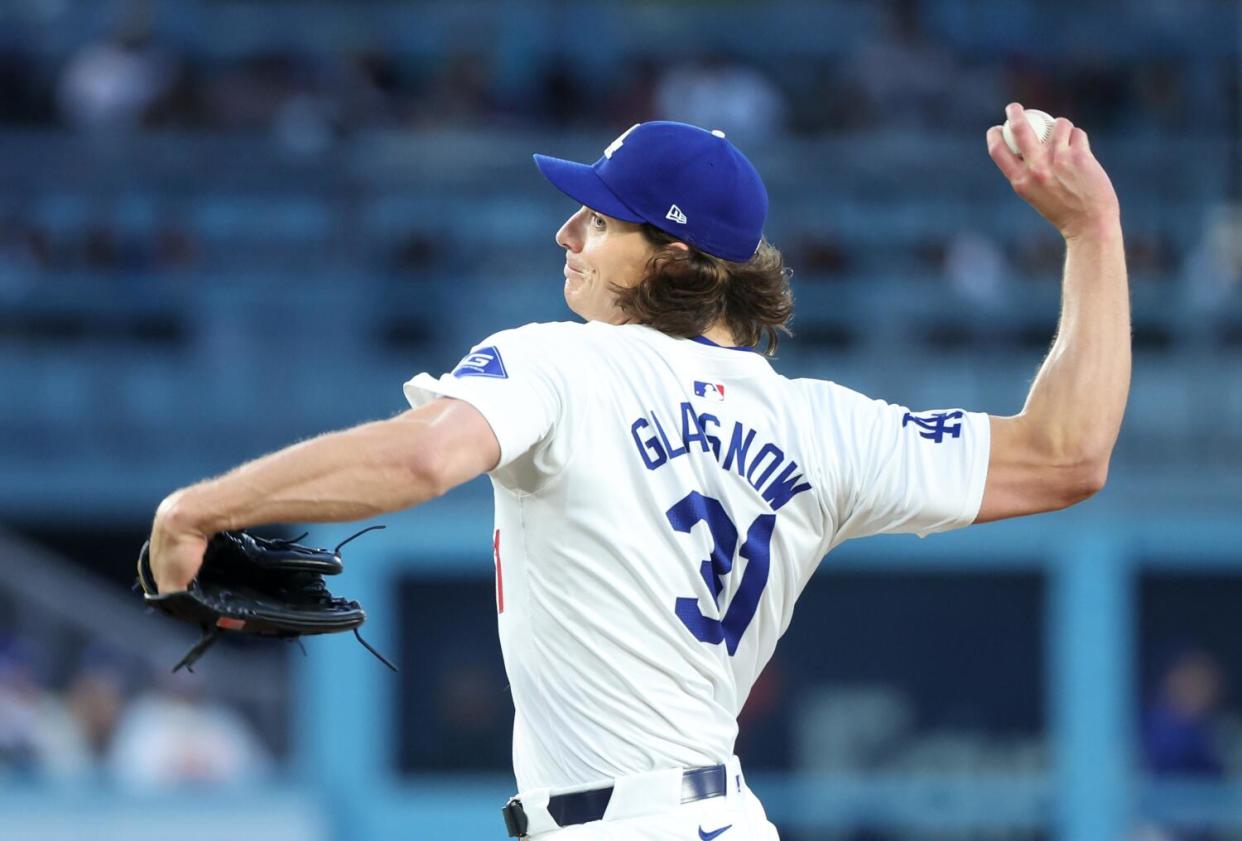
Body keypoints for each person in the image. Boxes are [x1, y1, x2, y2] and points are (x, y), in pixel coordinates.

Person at [145, 106, 1128, 839]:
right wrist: (1093, 234)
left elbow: (421, 455)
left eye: (600, 219)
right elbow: (1065, 456)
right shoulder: (825, 425)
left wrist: (203, 507)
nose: (567, 233)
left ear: (674, 256)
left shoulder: (561, 361)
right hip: (717, 816)